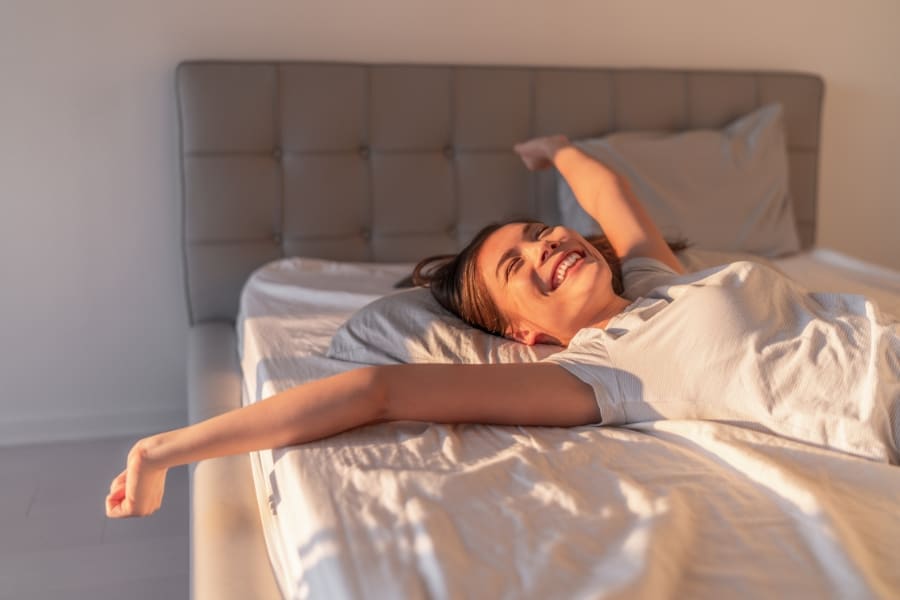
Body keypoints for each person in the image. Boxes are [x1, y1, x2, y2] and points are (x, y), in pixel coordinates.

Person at [106, 135, 899, 518]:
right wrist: (162, 451)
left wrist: (553, 150)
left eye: (537, 234)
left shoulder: (657, 280)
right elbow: (377, 390)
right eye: (517, 268)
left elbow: (609, 190)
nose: (545, 244)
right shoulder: (604, 372)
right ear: (523, 334)